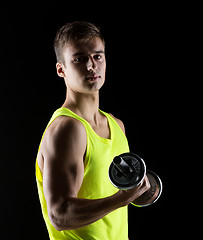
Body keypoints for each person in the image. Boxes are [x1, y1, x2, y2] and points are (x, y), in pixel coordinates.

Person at [35, 21, 150, 240]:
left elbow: (106, 194)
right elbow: (60, 215)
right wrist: (120, 199)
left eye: (97, 56)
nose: (91, 66)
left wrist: (138, 193)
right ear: (61, 69)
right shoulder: (68, 129)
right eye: (79, 59)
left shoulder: (116, 125)